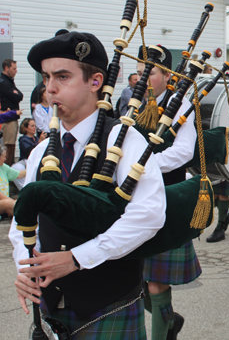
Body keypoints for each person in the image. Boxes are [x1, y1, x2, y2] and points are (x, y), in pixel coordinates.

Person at [9, 31, 165, 338]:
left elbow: (148, 215)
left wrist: (77, 259)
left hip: (108, 303)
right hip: (51, 304)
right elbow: (23, 221)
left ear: (95, 82)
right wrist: (25, 267)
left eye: (62, 77)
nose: (49, 89)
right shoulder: (40, 151)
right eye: (46, 77)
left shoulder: (125, 140)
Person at [136, 45, 199, 340]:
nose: (143, 78)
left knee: (156, 283)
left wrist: (145, 166)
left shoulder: (181, 105)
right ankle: (170, 320)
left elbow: (184, 152)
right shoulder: (136, 102)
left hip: (166, 195)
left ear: (168, 76)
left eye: (149, 72)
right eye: (139, 72)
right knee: (133, 279)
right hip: (133, 196)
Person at [0, 59, 24, 165]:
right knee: (9, 146)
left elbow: (20, 94)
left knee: (12, 145)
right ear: (6, 68)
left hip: (11, 117)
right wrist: (16, 94)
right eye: (14, 68)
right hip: (8, 119)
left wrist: (17, 93)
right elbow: (17, 97)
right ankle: (7, 169)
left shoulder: (9, 81)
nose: (16, 71)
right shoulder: (4, 83)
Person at [0, 145, 26, 218]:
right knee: (8, 203)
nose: (5, 159)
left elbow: (20, 174)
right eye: (4, 156)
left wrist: (33, 168)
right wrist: (13, 202)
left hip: (4, 202)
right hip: (5, 201)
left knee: (18, 202)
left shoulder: (3, 167)